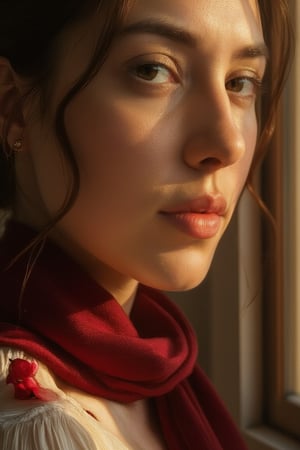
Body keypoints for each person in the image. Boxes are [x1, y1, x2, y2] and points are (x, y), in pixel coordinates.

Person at [0, 0, 292, 449]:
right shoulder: (36, 423)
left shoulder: (151, 367)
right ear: (15, 106)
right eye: (153, 70)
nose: (227, 142)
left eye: (241, 82)